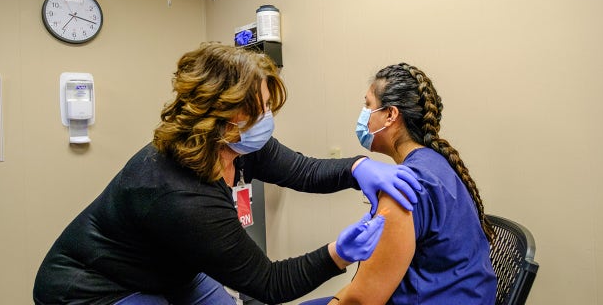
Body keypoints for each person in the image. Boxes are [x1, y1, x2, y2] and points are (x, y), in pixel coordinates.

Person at [33, 44, 422, 305]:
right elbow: (268, 283)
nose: (269, 119)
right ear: (221, 116)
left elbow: (303, 170)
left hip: (170, 271)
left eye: (269, 106)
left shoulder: (238, 143)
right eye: (261, 109)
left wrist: (359, 167)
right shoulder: (178, 193)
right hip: (94, 287)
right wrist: (338, 254)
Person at [304, 62, 498, 304]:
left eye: (368, 105)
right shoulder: (436, 163)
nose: (363, 114)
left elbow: (362, 301)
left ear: (390, 115)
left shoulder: (403, 187)